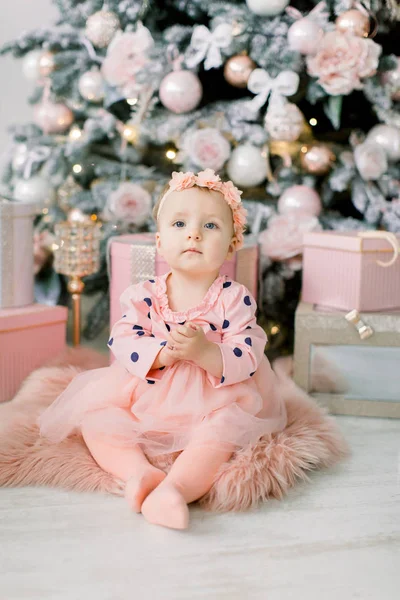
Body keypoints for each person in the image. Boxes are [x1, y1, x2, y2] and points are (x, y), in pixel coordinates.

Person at [39, 168, 287, 529]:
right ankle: (138, 473)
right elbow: (123, 338)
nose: (194, 234)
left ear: (233, 244)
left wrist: (205, 353)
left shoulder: (233, 299)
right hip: (148, 393)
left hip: (214, 399)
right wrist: (163, 354)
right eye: (180, 224)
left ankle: (176, 489)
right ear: (159, 242)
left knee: (220, 433)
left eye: (211, 226)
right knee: (98, 421)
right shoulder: (145, 295)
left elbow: (249, 352)